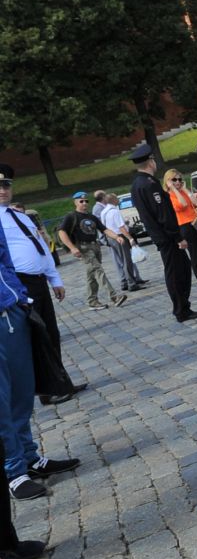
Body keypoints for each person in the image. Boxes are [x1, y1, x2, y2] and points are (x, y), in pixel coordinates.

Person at [0, 235, 79, 503]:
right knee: (1, 402)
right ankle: (13, 471)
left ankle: (28, 457)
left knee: (22, 392)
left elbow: (5, 259)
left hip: (11, 312)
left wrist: (19, 296)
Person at [0, 169, 84, 403]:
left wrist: (54, 278)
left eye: (6, 185)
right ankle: (46, 390)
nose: (2, 190)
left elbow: (42, 247)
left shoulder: (21, 216)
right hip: (19, 283)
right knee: (37, 336)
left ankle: (60, 382)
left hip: (38, 281)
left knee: (51, 333)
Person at [130, 146, 197, 324]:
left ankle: (183, 306)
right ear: (151, 161)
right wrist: (178, 237)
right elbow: (163, 214)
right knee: (177, 272)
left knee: (181, 268)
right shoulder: (149, 184)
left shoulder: (137, 184)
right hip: (167, 237)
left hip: (160, 236)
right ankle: (181, 310)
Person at [58, 193, 124, 309]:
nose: (84, 203)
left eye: (86, 201)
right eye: (81, 201)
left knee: (92, 275)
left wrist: (116, 236)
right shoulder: (71, 216)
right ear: (75, 202)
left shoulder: (92, 217)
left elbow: (104, 229)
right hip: (83, 248)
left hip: (95, 247)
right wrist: (72, 248)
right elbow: (61, 232)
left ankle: (92, 301)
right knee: (99, 271)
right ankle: (114, 297)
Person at [94, 191, 145, 294]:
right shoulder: (114, 211)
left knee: (121, 260)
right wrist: (130, 238)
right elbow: (121, 227)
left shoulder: (104, 211)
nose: (118, 200)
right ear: (113, 200)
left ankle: (125, 283)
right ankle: (131, 283)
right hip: (119, 237)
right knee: (127, 261)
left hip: (111, 238)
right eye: (117, 198)